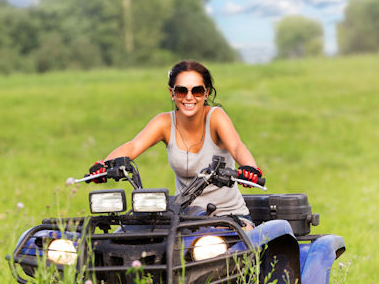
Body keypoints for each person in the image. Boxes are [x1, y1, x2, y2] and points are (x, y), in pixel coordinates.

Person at [88, 60, 262, 225]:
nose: (189, 97)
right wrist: (103, 165)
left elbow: (237, 146)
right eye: (181, 90)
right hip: (184, 218)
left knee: (235, 250)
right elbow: (133, 146)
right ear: (172, 93)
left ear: (206, 93)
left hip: (229, 217)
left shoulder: (216, 117)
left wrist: (249, 168)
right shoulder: (164, 122)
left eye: (197, 91)